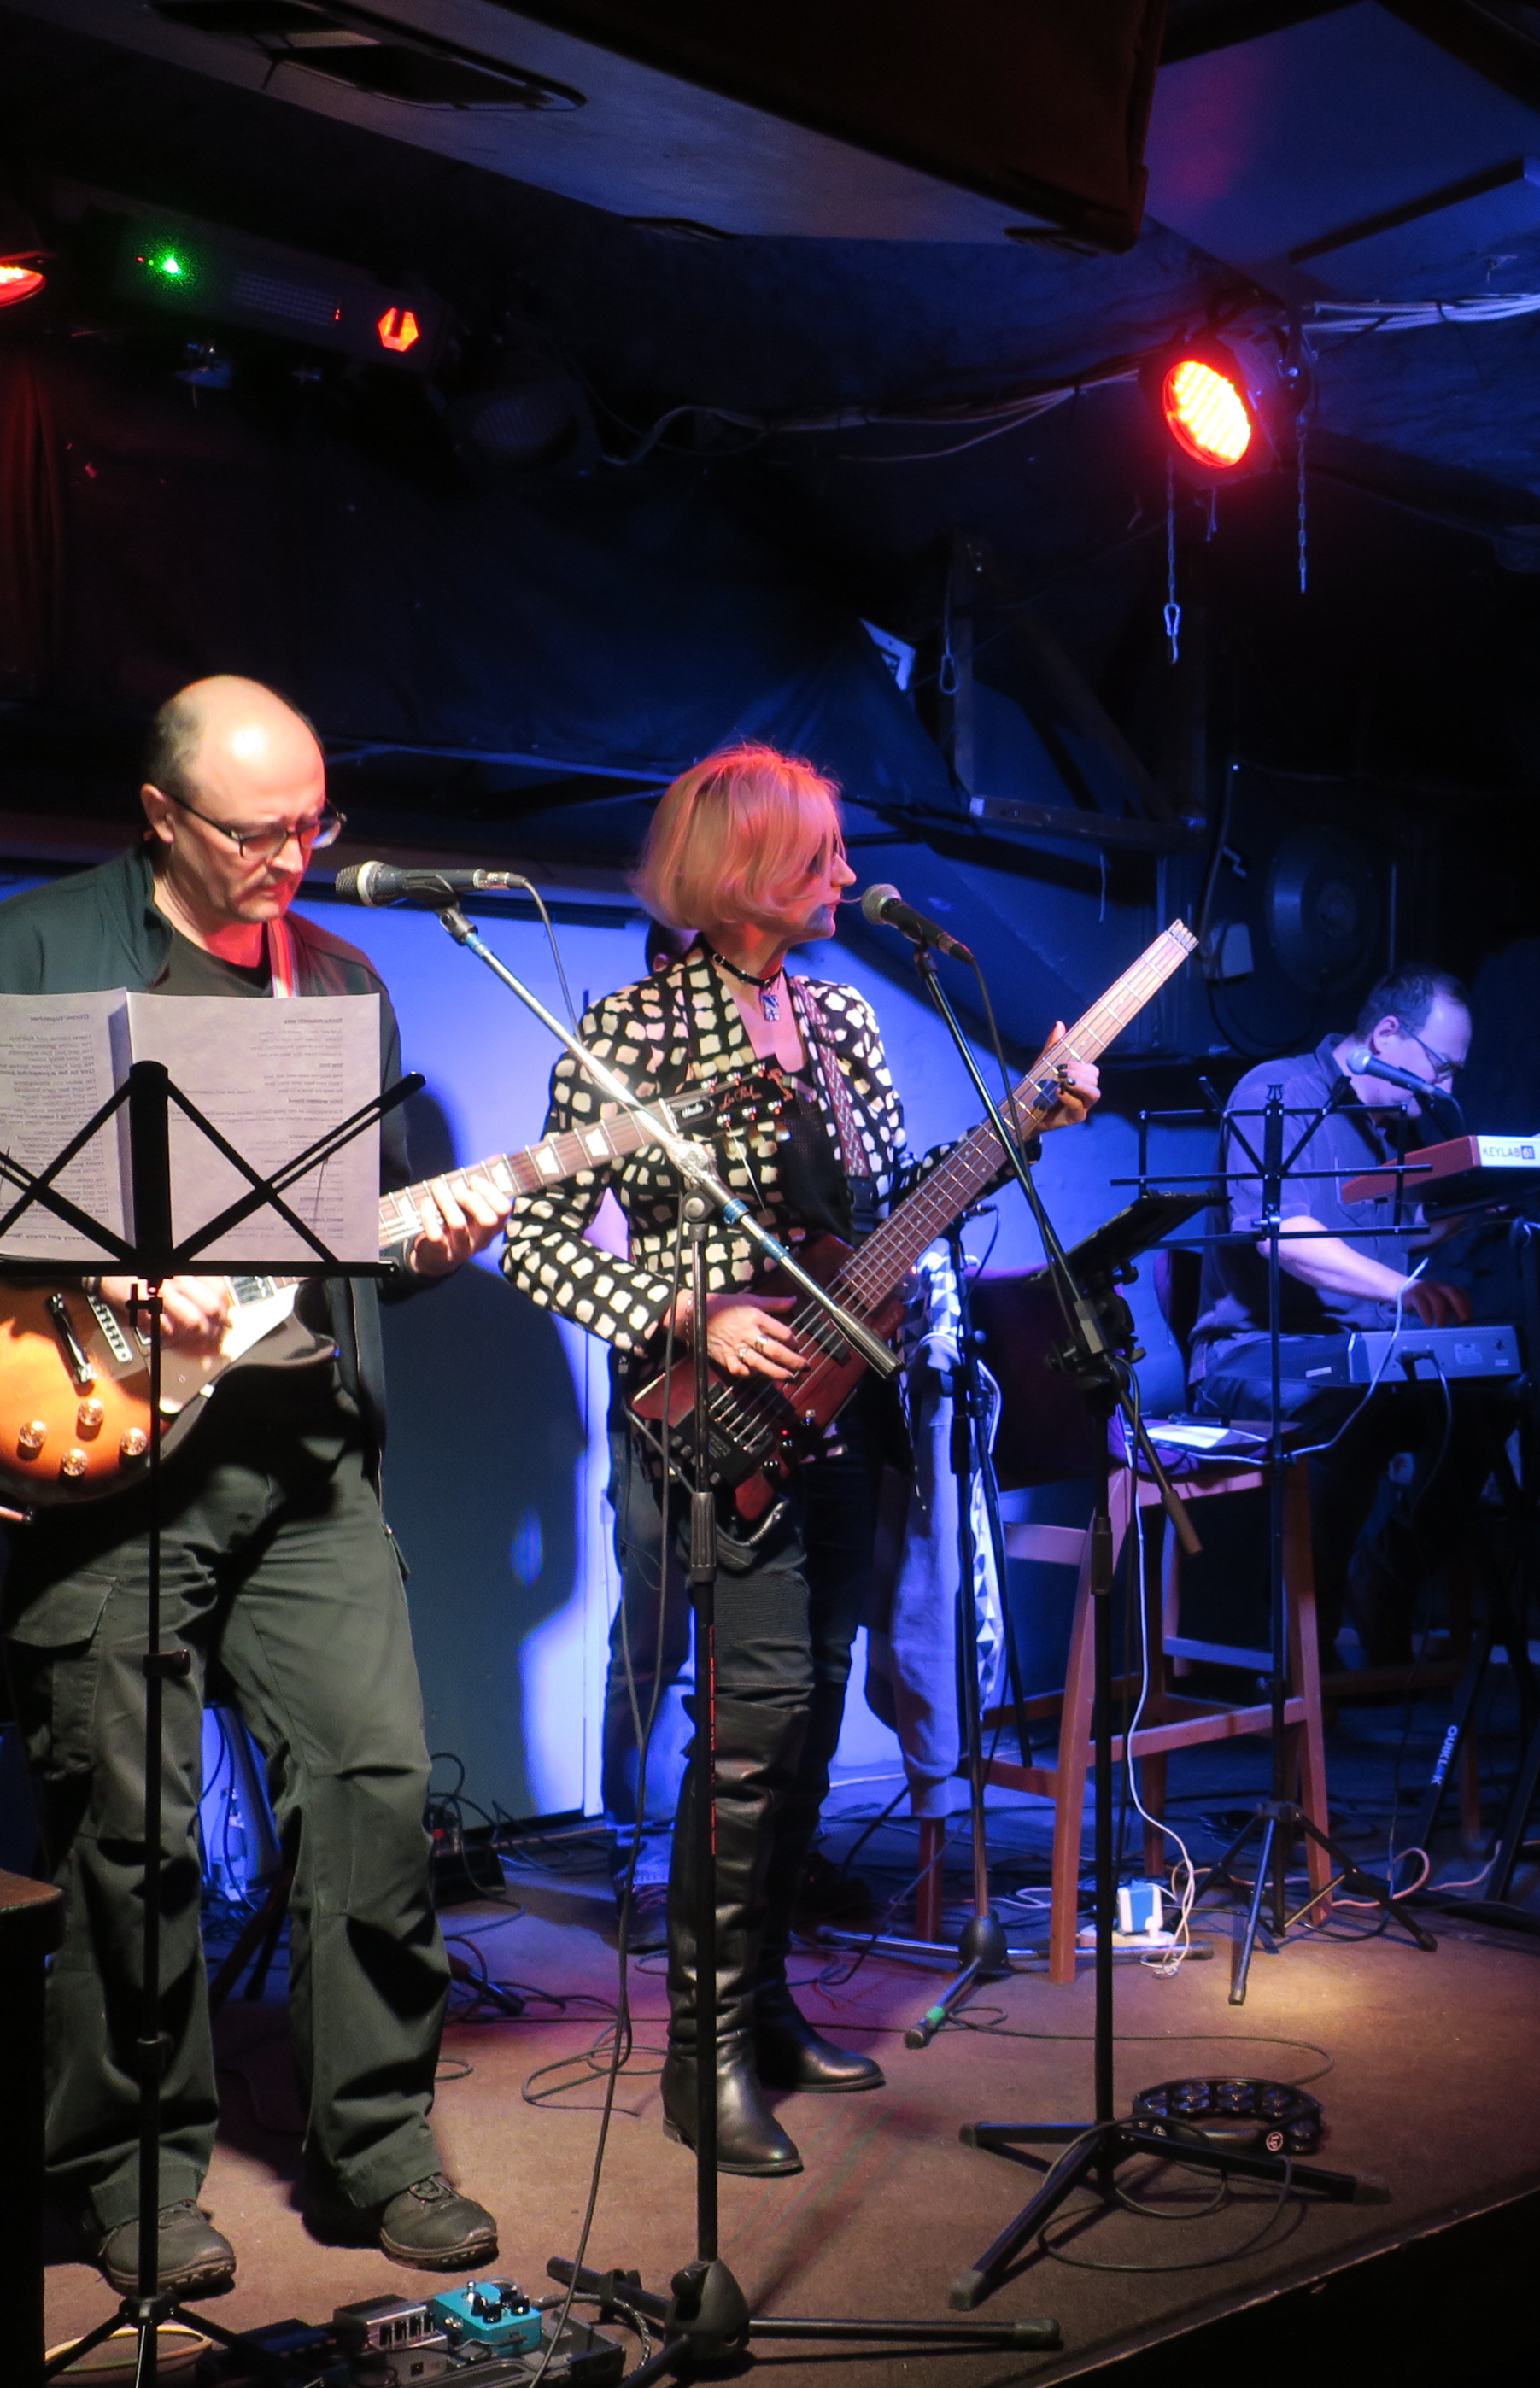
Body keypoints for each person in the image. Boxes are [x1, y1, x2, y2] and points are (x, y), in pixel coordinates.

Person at [0, 676, 509, 2299]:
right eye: (258, 830)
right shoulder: (32, 949)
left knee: (374, 1793)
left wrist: (432, 1241)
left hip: (301, 1455)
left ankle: (378, 2150)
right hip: (109, 1453)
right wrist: (109, 1264)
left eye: (314, 823)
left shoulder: (341, 981)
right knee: (127, 1839)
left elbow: (347, 1235)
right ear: (159, 816)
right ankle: (132, 2175)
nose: (294, 855)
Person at [498, 742, 1093, 2176]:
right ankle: (699, 2057)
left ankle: (762, 2010)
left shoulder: (844, 1020)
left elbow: (885, 1219)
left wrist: (1021, 1126)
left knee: (815, 1716)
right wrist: (690, 1313)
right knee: (753, 1727)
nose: (844, 874)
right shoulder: (634, 1031)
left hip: (842, 1411)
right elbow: (535, 1243)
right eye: (818, 855)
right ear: (746, 873)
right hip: (715, 1427)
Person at [1185, 965, 1488, 1666]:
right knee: (1356, 1413)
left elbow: (1386, 1237)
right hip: (1253, 1357)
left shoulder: (1393, 1129)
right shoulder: (1278, 1094)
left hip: (1357, 1354)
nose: (1445, 1089)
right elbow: (1281, 1234)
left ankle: (1388, 1576)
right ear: (1387, 1034)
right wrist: (1404, 1291)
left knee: (1490, 1408)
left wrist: (1482, 1208)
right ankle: (1305, 1661)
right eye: (1440, 1067)